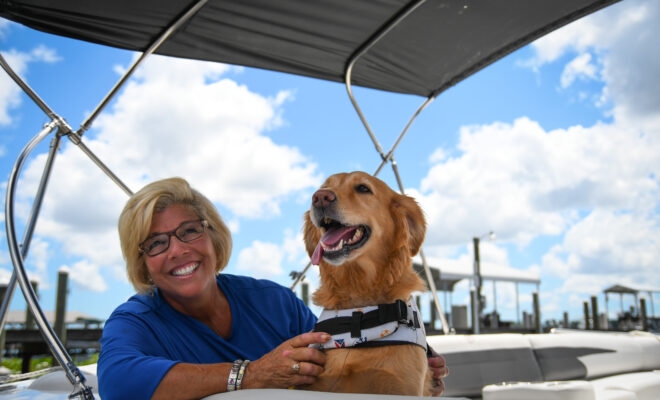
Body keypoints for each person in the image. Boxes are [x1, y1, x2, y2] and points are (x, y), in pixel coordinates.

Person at [98, 177, 447, 399]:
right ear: (141, 260)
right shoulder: (134, 321)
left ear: (213, 236)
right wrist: (250, 375)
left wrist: (407, 359)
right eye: (156, 244)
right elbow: (118, 383)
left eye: (189, 231)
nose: (177, 250)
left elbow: (337, 362)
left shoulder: (273, 301)